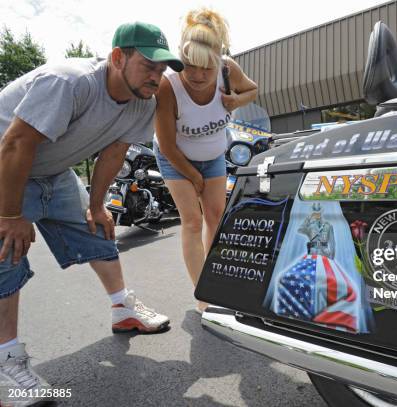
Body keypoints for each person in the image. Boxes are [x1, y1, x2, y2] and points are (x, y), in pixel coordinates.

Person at [0, 22, 184, 405]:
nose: (157, 76)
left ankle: (123, 309)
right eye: (149, 65)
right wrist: (9, 215)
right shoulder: (69, 82)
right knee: (6, 250)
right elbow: (16, 143)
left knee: (99, 230)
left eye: (163, 69)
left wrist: (97, 205)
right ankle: (7, 360)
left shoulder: (143, 102)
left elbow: (114, 152)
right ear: (118, 57)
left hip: (52, 170)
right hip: (7, 164)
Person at [154, 8, 257, 312]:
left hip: (213, 156)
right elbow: (169, 145)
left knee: (216, 216)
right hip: (175, 158)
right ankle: (204, 295)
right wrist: (194, 178)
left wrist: (236, 99)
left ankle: (217, 279)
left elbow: (252, 90)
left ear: (218, 62)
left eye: (206, 69)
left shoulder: (228, 71)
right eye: (189, 66)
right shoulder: (167, 86)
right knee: (192, 220)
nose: (197, 76)